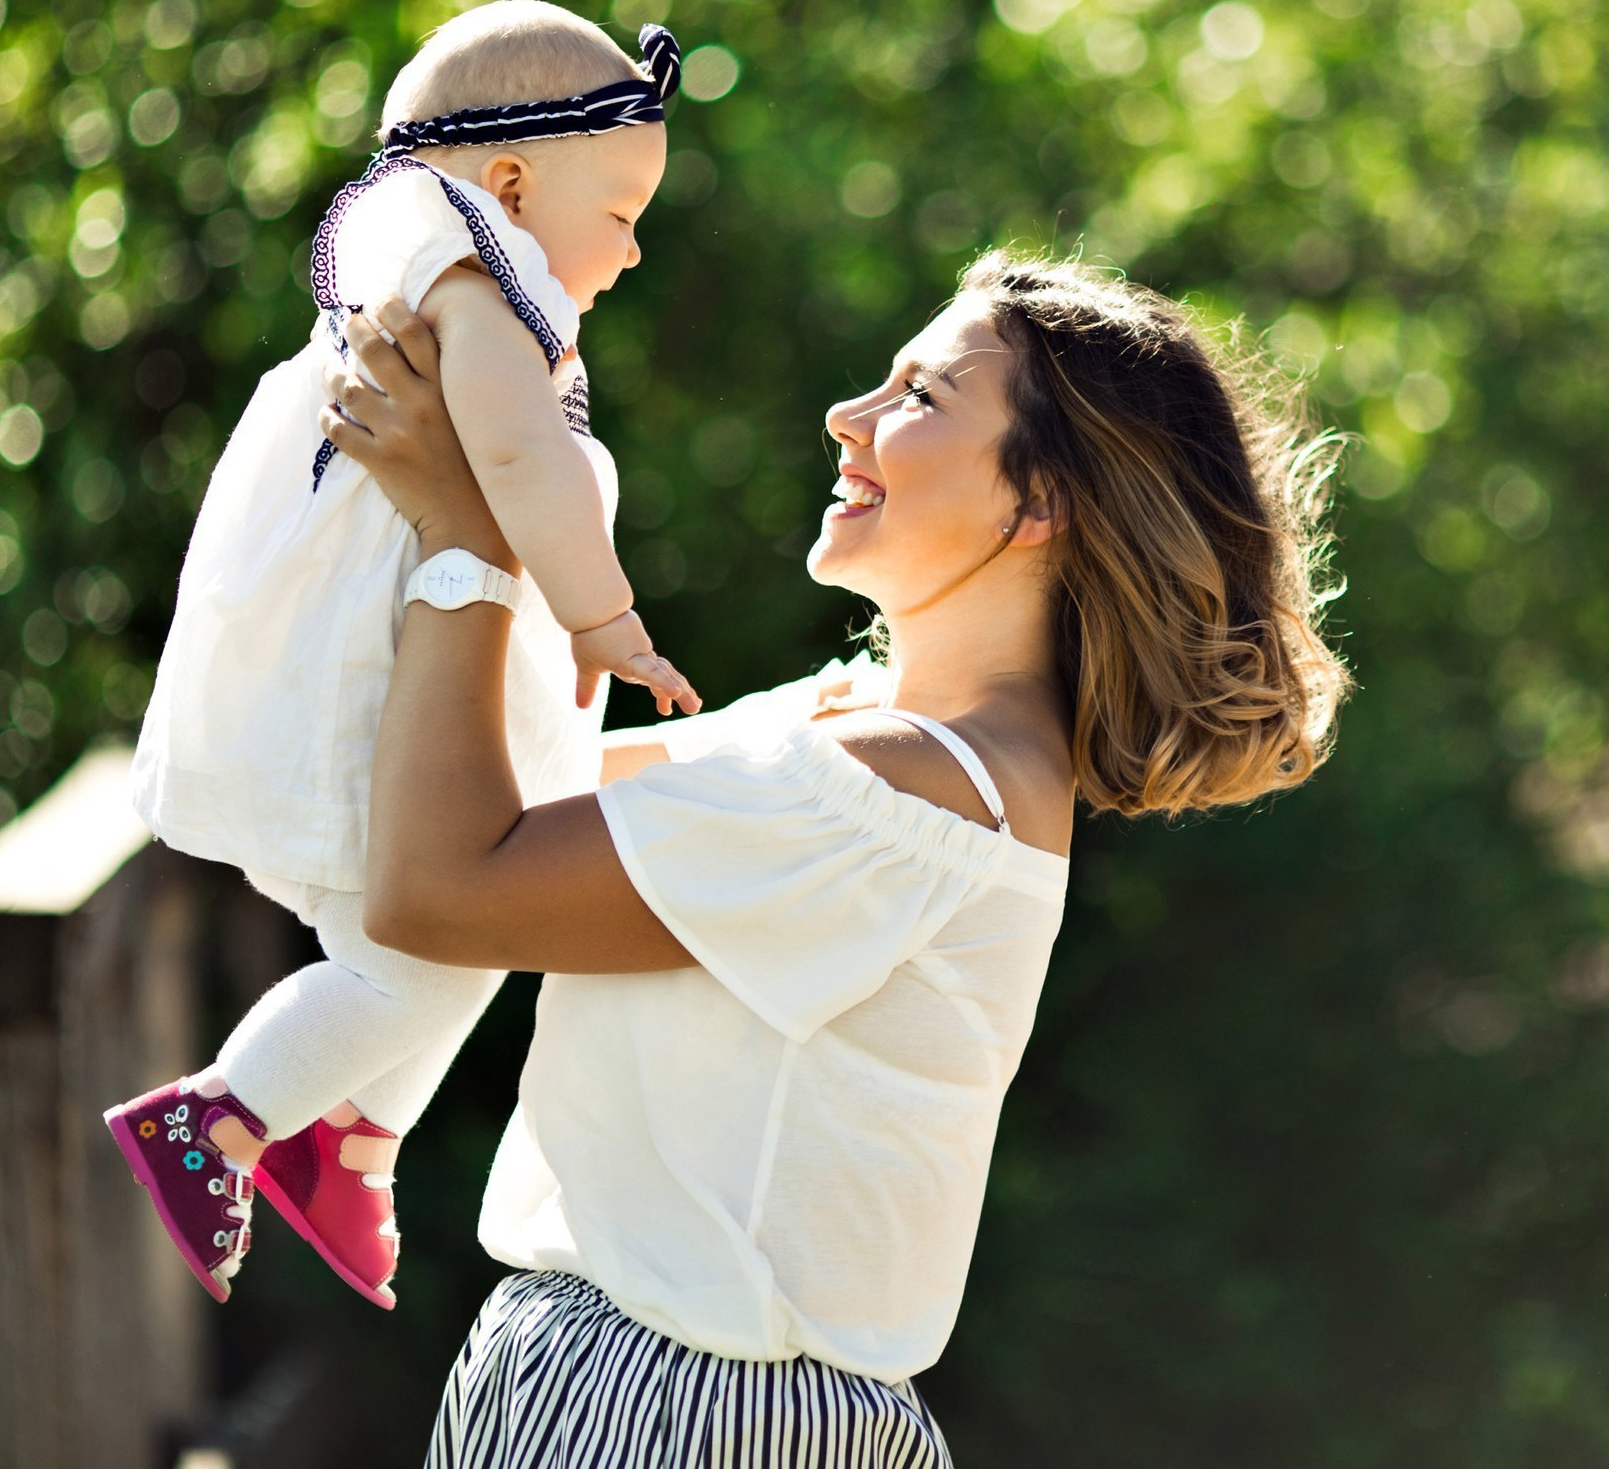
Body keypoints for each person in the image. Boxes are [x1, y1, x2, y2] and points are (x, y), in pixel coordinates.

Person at [321, 249, 1349, 1465]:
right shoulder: (856, 732)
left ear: (1040, 502)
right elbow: (495, 790)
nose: (845, 416)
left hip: (681, 1412)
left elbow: (439, 888)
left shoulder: (895, 791)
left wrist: (468, 536)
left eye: (919, 397)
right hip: (633, 1383)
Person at [106, 0, 701, 1311]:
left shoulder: (443, 257)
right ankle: (221, 1118)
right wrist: (602, 616)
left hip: (394, 608)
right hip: (380, 641)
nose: (634, 248)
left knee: (472, 927)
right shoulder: (467, 275)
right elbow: (517, 458)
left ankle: (346, 1140)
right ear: (510, 182)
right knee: (426, 935)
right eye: (620, 212)